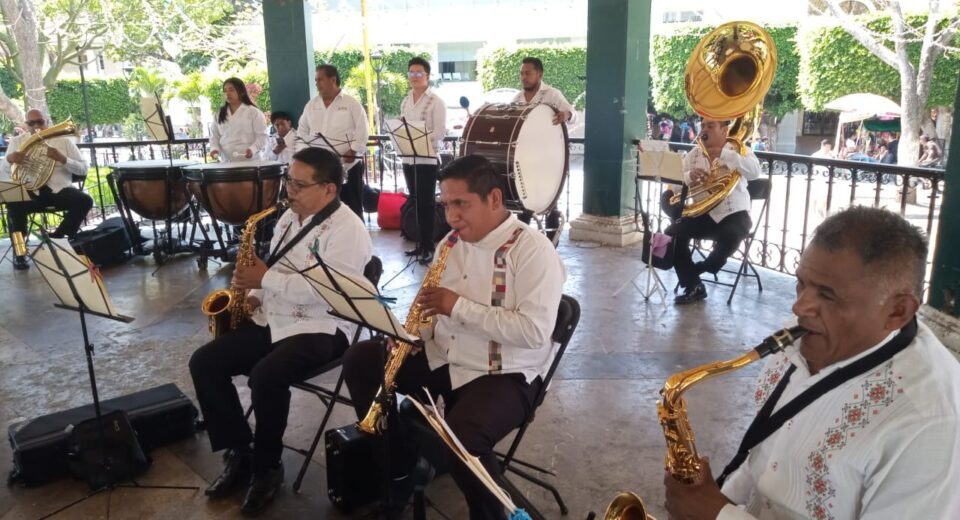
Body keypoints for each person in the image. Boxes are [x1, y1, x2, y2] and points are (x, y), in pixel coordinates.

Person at [663, 206, 960, 520]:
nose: (799, 306)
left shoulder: (932, 423)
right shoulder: (802, 341)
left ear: (898, 311)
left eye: (827, 295)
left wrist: (717, 514)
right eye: (801, 283)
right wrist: (715, 498)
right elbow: (762, 460)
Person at [342, 154, 565, 519]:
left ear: (494, 199)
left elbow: (534, 331)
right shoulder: (450, 242)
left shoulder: (532, 250)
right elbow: (432, 305)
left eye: (461, 204)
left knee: (463, 437)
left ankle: (489, 514)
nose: (451, 216)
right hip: (445, 356)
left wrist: (456, 306)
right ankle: (398, 469)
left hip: (504, 373)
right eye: (445, 204)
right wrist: (411, 334)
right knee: (363, 360)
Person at [189, 147, 372, 517]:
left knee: (266, 375)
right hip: (277, 318)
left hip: (324, 325)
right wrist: (254, 296)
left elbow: (329, 291)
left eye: (300, 185)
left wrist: (266, 279)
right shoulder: (290, 217)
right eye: (289, 181)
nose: (290, 190)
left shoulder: (348, 230)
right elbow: (273, 266)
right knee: (205, 362)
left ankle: (267, 467)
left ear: (329, 190)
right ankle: (241, 450)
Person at [662, 118, 760, 304]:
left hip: (735, 213)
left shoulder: (737, 149)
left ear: (724, 130)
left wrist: (724, 154)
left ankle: (704, 267)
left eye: (710, 126)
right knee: (672, 234)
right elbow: (674, 184)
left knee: (731, 235)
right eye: (703, 126)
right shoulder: (694, 154)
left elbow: (755, 172)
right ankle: (694, 285)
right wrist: (690, 176)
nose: (704, 130)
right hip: (704, 214)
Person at [1, 109, 92, 270]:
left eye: (40, 122)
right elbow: (3, 172)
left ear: (47, 122)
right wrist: (9, 159)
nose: (36, 126)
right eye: (31, 123)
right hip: (30, 191)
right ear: (26, 125)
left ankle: (57, 239)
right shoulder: (17, 142)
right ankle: (20, 253)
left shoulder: (64, 142)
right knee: (14, 207)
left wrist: (63, 159)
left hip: (60, 190)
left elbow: (83, 169)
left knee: (85, 200)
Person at [511, 57, 574, 242]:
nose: (524, 77)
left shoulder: (552, 94)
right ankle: (522, 243)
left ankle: (550, 244)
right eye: (522, 73)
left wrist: (566, 114)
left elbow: (573, 114)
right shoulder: (516, 98)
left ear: (539, 74)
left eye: (528, 73)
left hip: (549, 159)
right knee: (525, 200)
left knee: (550, 201)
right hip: (526, 159)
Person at [296, 64, 370, 217]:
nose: (317, 84)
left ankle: (357, 241)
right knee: (324, 211)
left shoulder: (351, 103)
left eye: (320, 80)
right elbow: (302, 131)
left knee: (352, 210)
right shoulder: (311, 105)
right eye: (316, 80)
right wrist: (304, 154)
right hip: (321, 169)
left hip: (348, 166)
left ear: (332, 80)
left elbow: (363, 129)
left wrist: (354, 150)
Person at [399, 56, 447, 265]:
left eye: (419, 73)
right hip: (409, 158)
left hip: (427, 159)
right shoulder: (406, 100)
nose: (415, 77)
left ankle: (429, 246)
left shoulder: (436, 101)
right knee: (415, 202)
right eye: (412, 73)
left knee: (426, 204)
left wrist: (421, 138)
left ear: (427, 76)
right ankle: (420, 242)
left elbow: (440, 131)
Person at [209, 78, 269, 163]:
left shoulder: (254, 112)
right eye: (225, 91)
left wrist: (252, 149)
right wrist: (214, 149)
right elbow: (214, 136)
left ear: (241, 91)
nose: (227, 93)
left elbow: (263, 137)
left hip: (251, 162)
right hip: (227, 162)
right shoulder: (219, 113)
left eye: (231, 90)